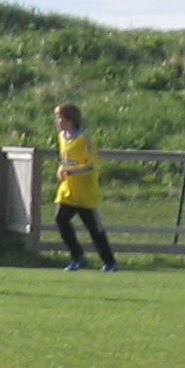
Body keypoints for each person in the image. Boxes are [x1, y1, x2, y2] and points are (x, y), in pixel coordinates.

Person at [52, 101, 117, 271]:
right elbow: (64, 160)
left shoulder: (83, 138)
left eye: (61, 118)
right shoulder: (61, 137)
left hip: (85, 190)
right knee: (60, 219)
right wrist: (61, 169)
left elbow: (91, 165)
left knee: (94, 228)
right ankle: (77, 256)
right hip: (68, 190)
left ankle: (109, 262)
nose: (58, 121)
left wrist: (72, 171)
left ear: (70, 119)